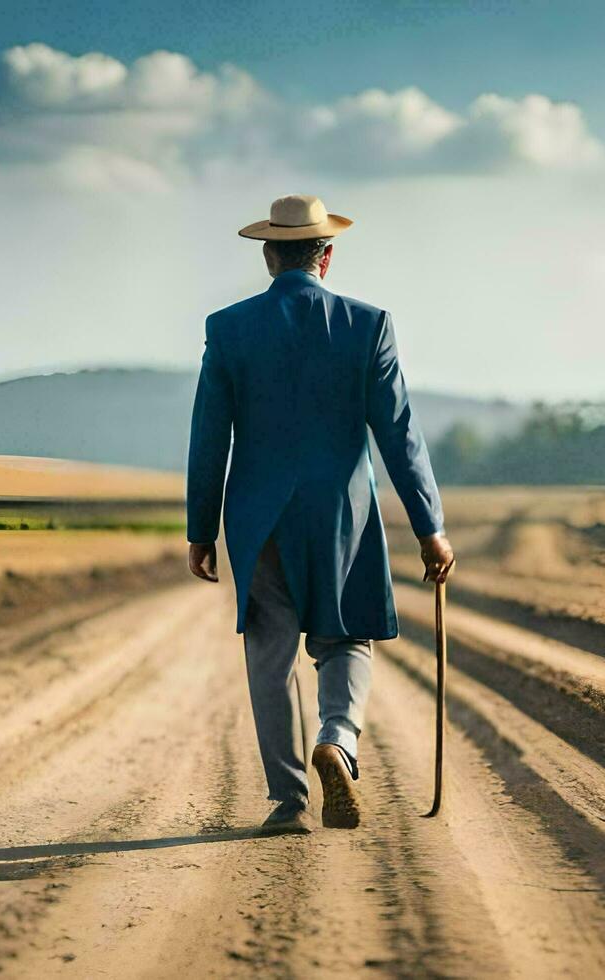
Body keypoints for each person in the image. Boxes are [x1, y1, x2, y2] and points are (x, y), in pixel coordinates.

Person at [186, 193, 455, 833]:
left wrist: (201, 530)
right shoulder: (369, 326)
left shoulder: (227, 329)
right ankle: (338, 739)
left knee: (270, 655)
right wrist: (430, 526)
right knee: (343, 640)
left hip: (260, 519)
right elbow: (399, 435)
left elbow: (208, 437)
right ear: (326, 257)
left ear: (270, 257)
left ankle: (288, 801)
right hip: (343, 516)